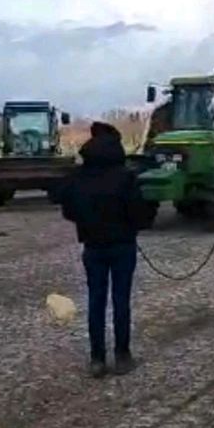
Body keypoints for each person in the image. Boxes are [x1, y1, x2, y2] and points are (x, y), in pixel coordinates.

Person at [60, 121, 157, 378]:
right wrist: (134, 225)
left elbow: (68, 210)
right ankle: (123, 356)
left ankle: (97, 359)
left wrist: (88, 223)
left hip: (93, 246)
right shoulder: (126, 176)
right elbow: (140, 213)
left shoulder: (78, 177)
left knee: (96, 302)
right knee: (121, 301)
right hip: (123, 245)